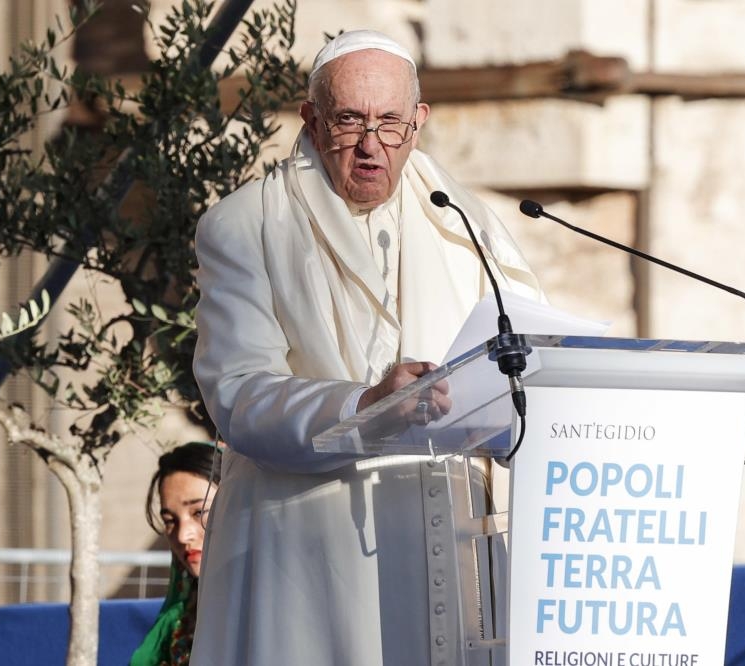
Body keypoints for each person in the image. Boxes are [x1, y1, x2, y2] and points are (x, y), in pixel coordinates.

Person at [191, 30, 542, 666]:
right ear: (311, 120)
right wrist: (364, 405)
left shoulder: (468, 224)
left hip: (450, 537)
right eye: (349, 121)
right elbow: (238, 395)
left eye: (390, 123)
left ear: (420, 121)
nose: (371, 145)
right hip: (313, 546)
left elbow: (526, 354)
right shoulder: (245, 226)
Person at [131, 442, 221, 666]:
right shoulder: (179, 621)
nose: (183, 535)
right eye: (170, 520)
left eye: (199, 512)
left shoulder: (266, 609)